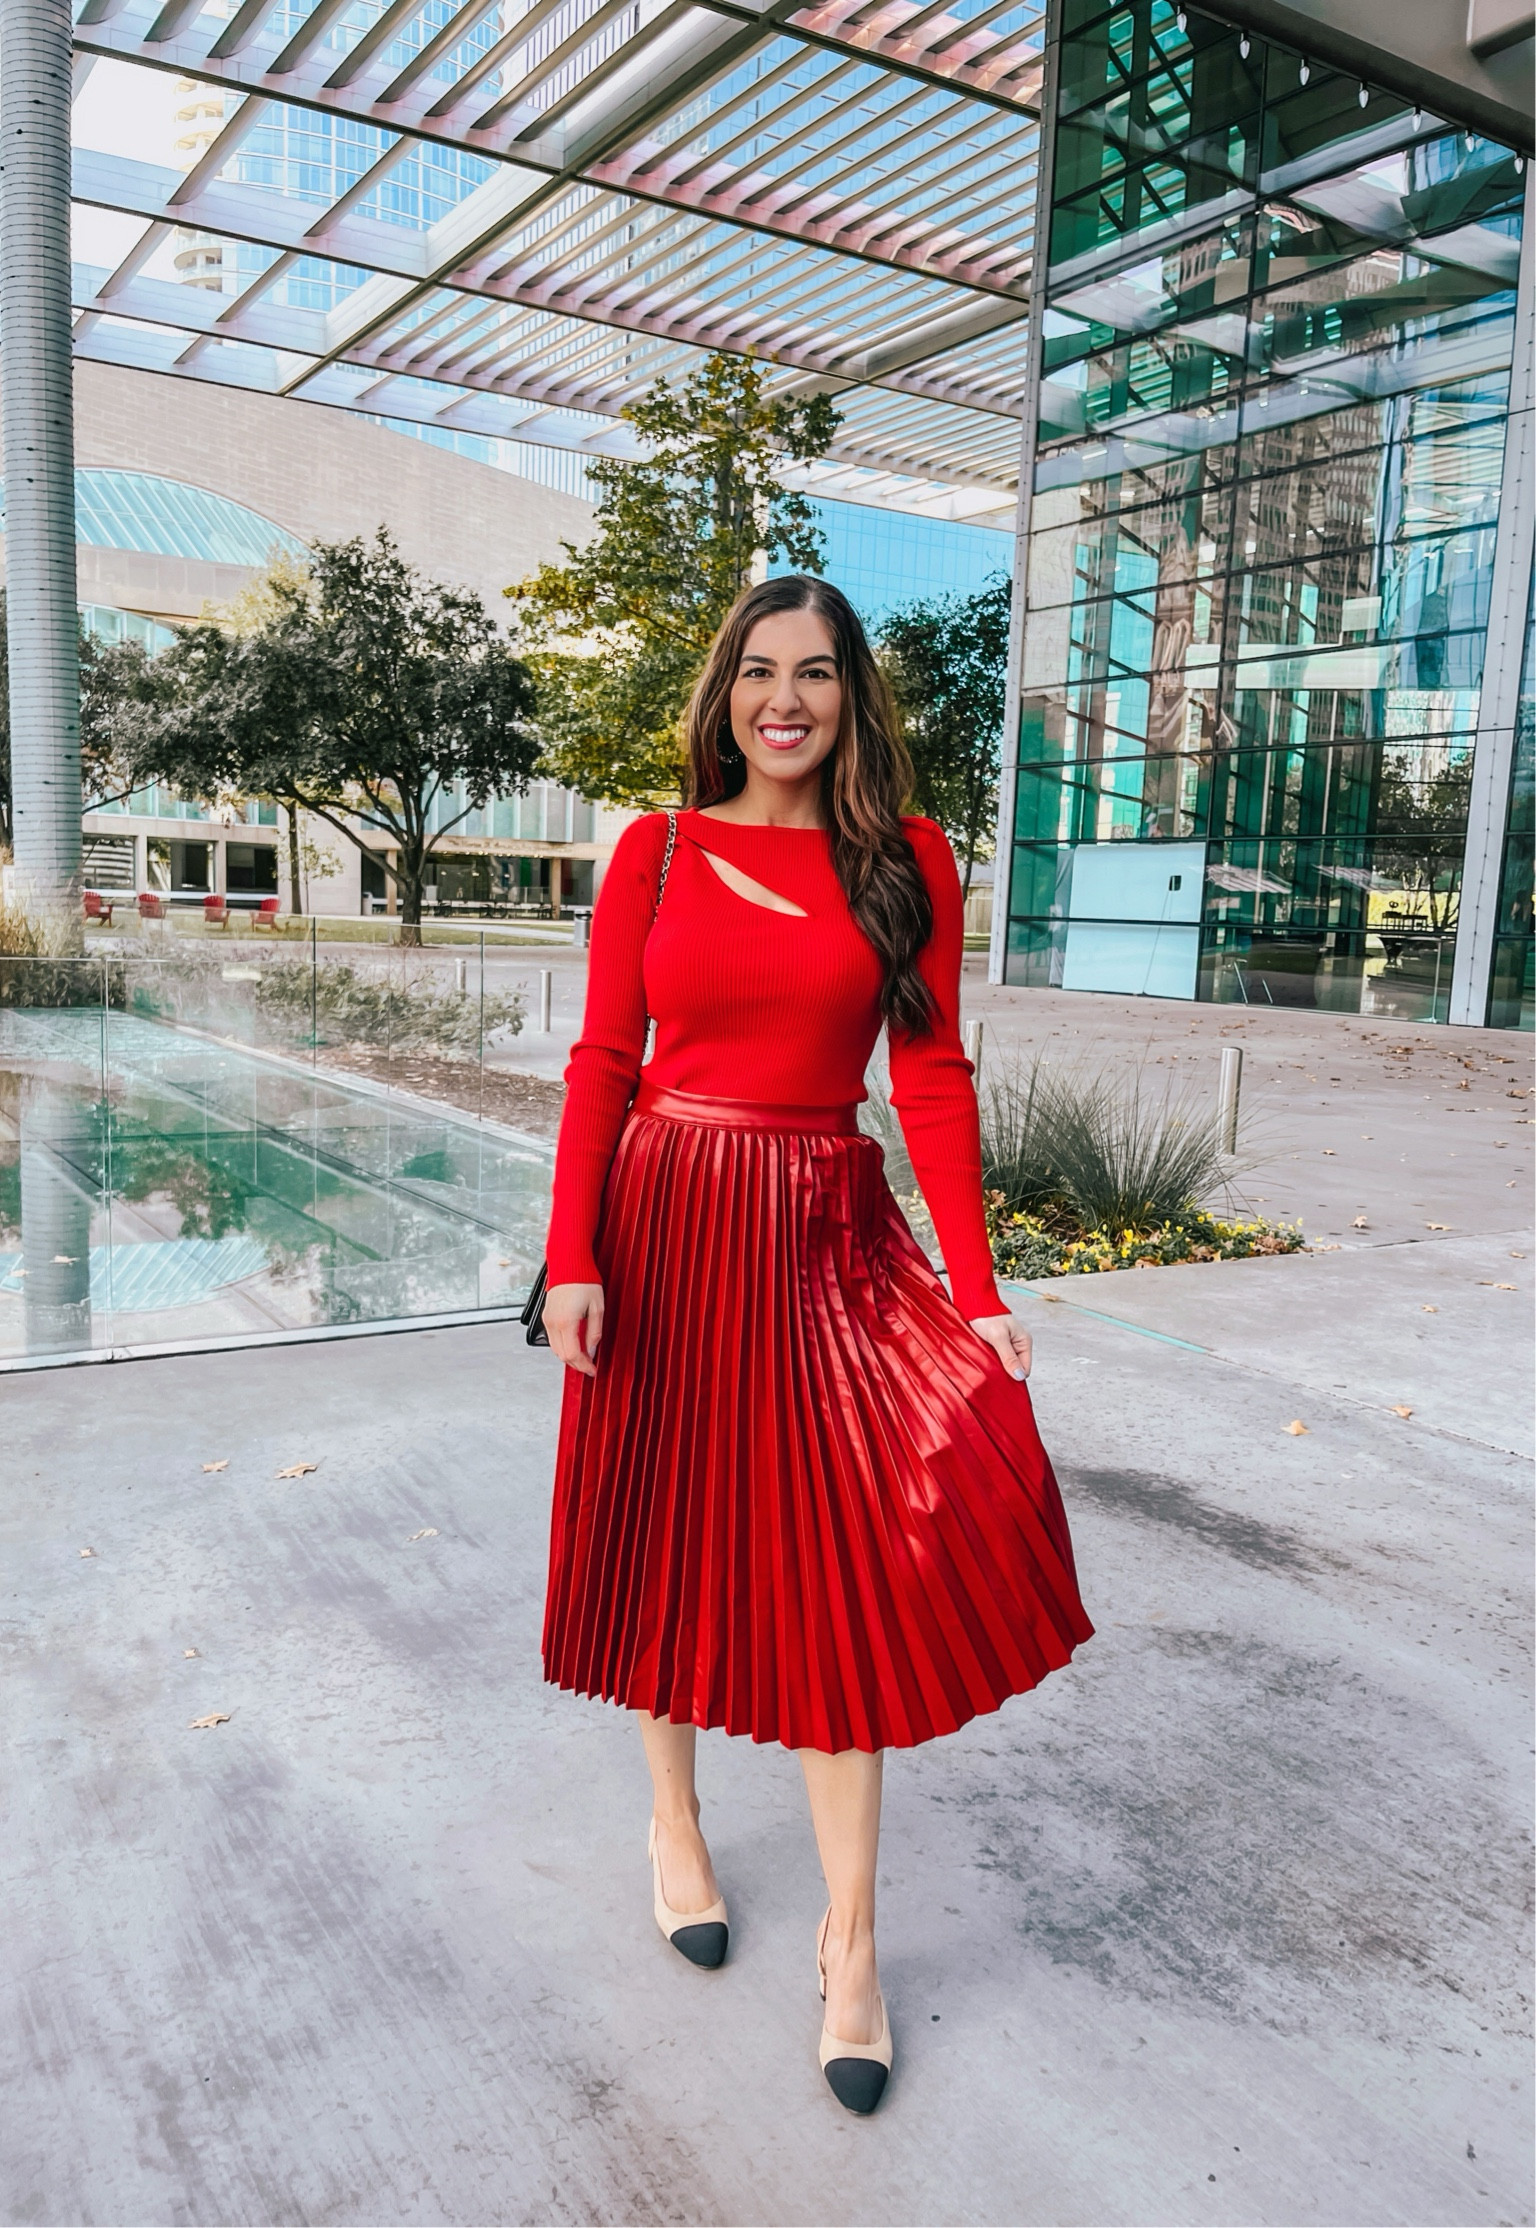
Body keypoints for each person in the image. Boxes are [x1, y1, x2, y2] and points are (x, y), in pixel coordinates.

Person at [540, 574, 1092, 2114]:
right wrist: (570, 1255)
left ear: (853, 698)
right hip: (664, 1221)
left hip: (825, 1230)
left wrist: (979, 1292)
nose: (785, 700)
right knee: (670, 1529)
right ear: (723, 693)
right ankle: (676, 1824)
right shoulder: (652, 853)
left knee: (850, 1561)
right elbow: (601, 1061)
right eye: (759, 673)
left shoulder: (908, 859)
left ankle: (853, 1945)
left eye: (818, 675)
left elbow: (930, 1083)